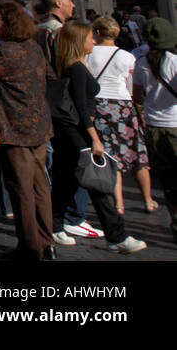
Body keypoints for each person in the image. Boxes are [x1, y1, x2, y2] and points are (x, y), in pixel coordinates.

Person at [48, 20, 146, 253]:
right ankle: (116, 235)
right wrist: (94, 138)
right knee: (96, 182)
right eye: (89, 37)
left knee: (66, 181)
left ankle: (53, 225)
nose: (93, 40)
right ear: (79, 41)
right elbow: (82, 107)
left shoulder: (72, 66)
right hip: (78, 131)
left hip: (70, 131)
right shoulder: (77, 68)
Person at [0, 0, 55, 261]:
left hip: (16, 128)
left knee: (21, 189)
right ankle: (47, 242)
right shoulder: (33, 48)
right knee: (40, 186)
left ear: (9, 24)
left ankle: (30, 247)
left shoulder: (6, 53)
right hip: (39, 125)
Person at [87, 16, 158, 215]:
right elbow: (131, 84)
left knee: (110, 154)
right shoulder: (126, 56)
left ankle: (118, 203)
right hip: (122, 105)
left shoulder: (89, 54)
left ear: (97, 32)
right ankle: (148, 199)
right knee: (137, 153)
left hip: (99, 104)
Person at [133, 17, 177, 246]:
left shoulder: (141, 63)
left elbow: (138, 96)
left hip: (154, 127)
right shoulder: (175, 62)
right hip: (175, 125)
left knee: (169, 182)